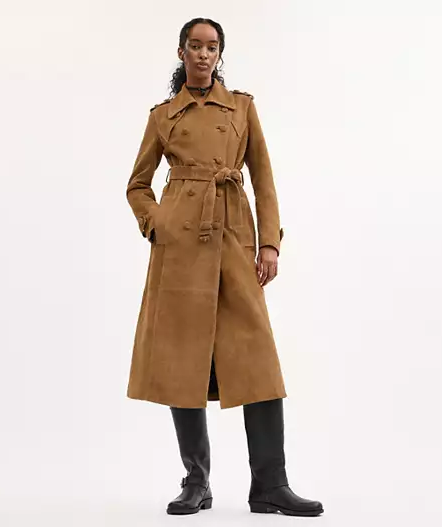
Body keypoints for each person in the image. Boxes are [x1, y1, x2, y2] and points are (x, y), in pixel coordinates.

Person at [125, 17, 323, 517]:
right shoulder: (162, 116)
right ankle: (196, 481)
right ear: (181, 52)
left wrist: (269, 244)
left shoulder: (242, 108)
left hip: (234, 239)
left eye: (211, 47)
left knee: (258, 362)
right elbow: (137, 185)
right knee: (183, 362)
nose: (203, 54)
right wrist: (158, 222)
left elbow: (264, 178)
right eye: (195, 45)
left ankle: (271, 484)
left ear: (219, 54)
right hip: (180, 249)